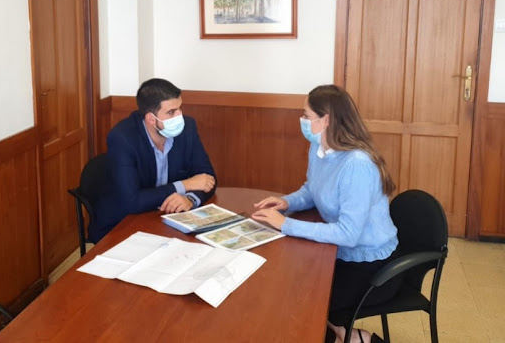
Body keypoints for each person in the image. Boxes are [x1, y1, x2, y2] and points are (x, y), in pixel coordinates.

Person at [252, 84, 400, 343]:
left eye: (306, 116)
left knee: (305, 300)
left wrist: (285, 225)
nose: (302, 121)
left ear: (326, 120)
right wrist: (285, 203)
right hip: (339, 253)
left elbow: (348, 234)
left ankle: (354, 337)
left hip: (371, 266)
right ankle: (343, 334)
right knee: (292, 284)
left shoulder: (357, 164)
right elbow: (312, 190)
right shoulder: (319, 147)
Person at [89, 78, 216, 242]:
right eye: (171, 112)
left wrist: (190, 199)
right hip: (122, 223)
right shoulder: (122, 138)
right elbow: (132, 201)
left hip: (164, 218)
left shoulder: (187, 128)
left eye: (180, 108)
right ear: (150, 119)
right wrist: (185, 185)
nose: (180, 116)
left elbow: (207, 178)